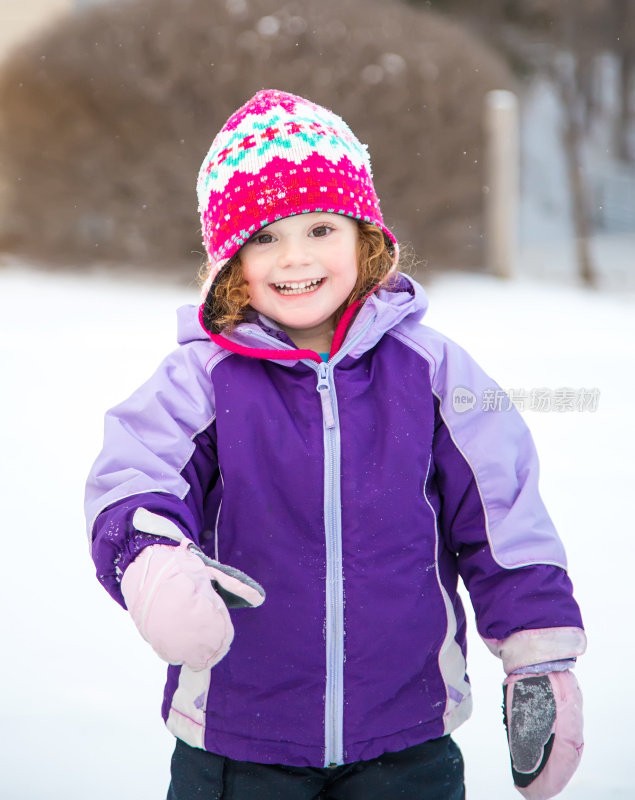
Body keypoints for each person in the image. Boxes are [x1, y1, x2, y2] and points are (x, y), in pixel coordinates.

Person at [85, 89, 586, 800]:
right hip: (238, 740)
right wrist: (149, 561)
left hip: (405, 740)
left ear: (364, 236)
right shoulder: (201, 378)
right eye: (264, 236)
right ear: (230, 258)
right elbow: (137, 473)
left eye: (320, 228)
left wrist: (537, 656)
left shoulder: (432, 369)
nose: (295, 257)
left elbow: (501, 514)